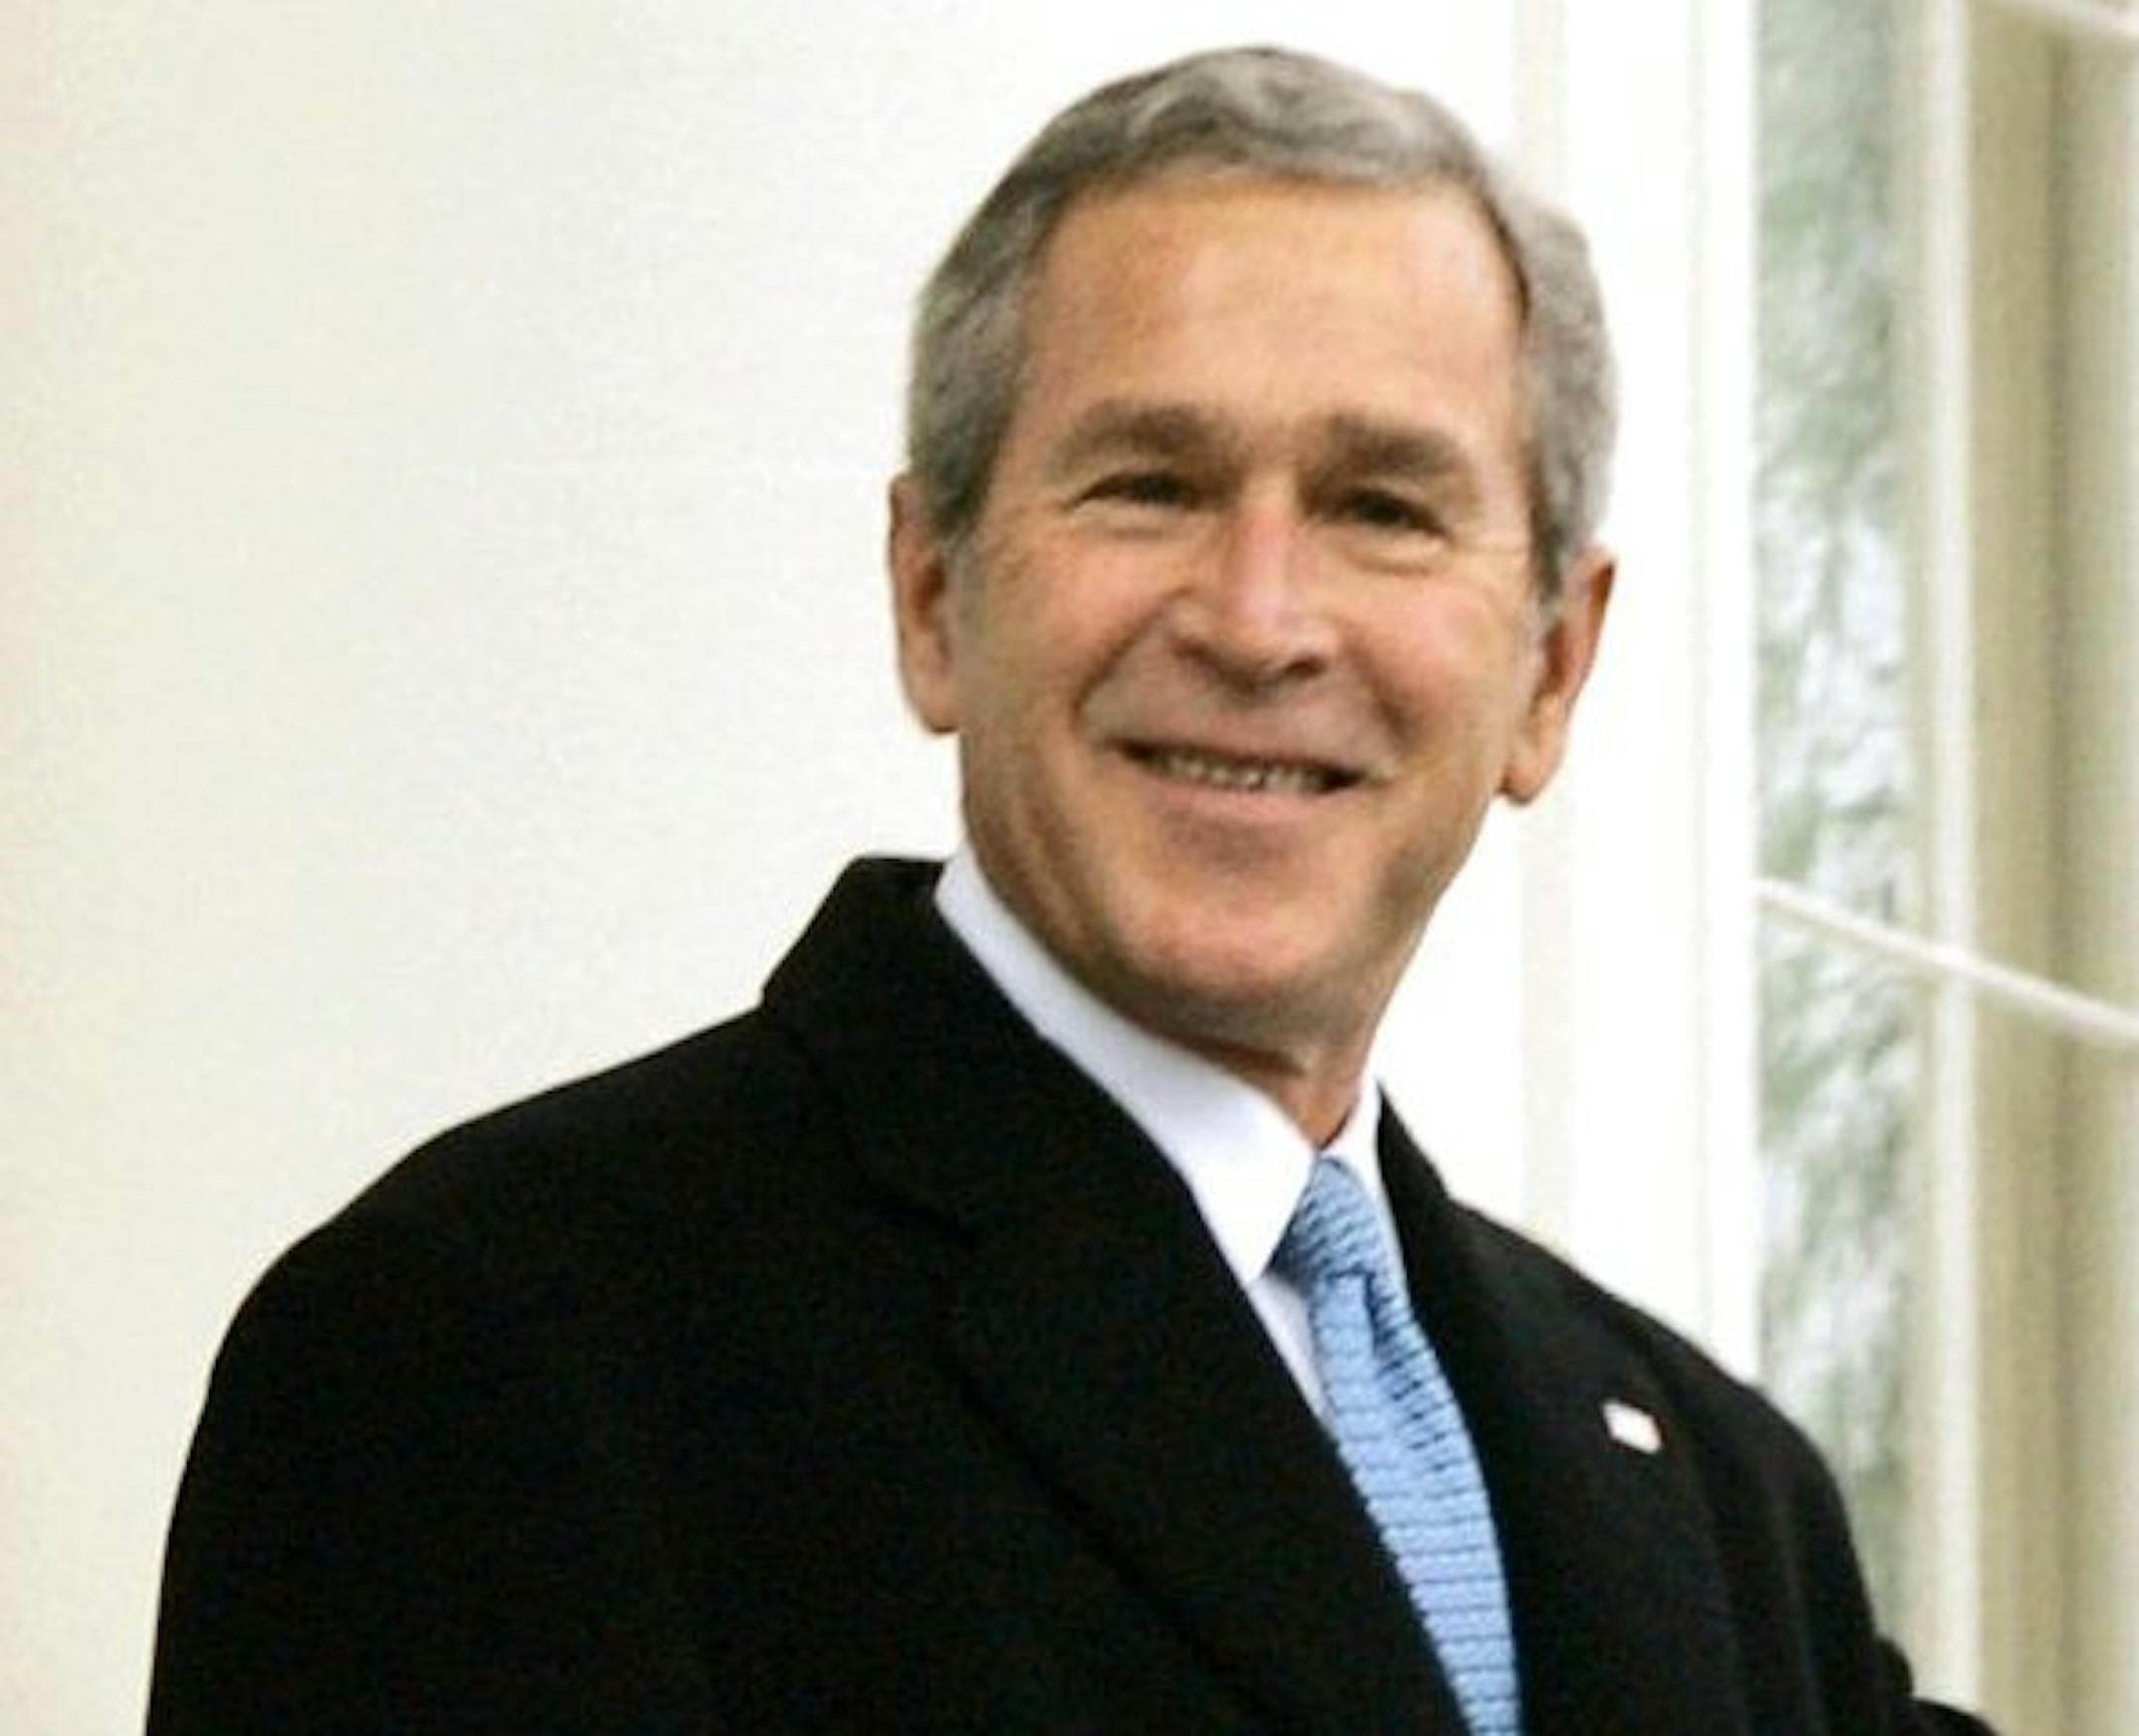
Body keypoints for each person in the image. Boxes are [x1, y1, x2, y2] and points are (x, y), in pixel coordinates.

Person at [149, 46, 1995, 1735]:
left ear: (1551, 671)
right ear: (935, 594)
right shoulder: (499, 1353)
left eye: (1383, 507)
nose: (1260, 618)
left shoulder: (1718, 1496)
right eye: (1148, 485)